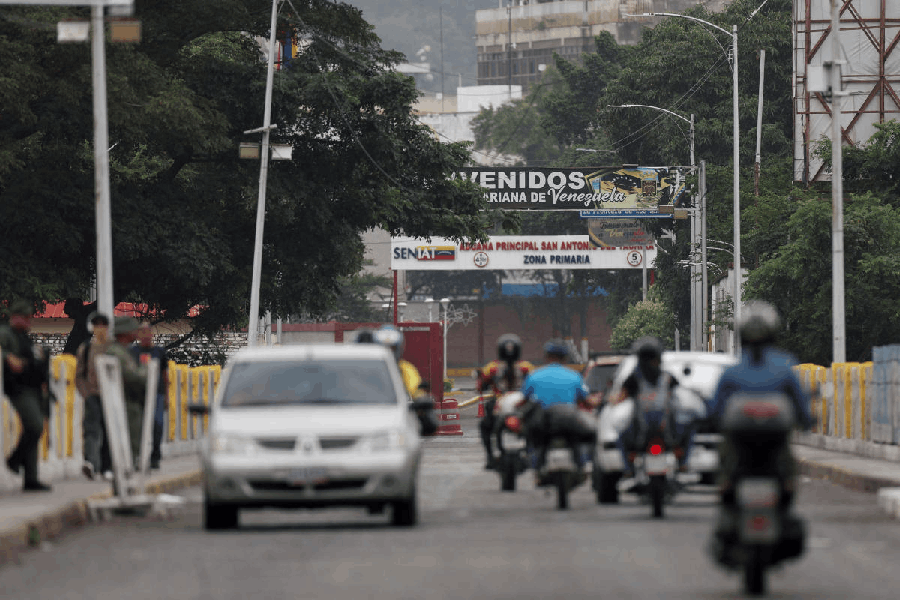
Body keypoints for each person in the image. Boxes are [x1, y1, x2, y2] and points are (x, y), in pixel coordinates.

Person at [708, 301, 814, 552]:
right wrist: (808, 422)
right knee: (787, 469)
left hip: (739, 447)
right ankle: (784, 496)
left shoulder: (732, 371)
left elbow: (714, 409)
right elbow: (801, 406)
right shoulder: (786, 365)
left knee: (726, 464)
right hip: (775, 447)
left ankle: (727, 488)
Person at [521, 339, 590, 483]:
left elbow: (525, 399)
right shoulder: (575, 376)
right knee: (578, 441)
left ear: (546, 356)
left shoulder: (534, 375)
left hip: (544, 421)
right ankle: (582, 466)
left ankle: (536, 470)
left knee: (536, 442)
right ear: (565, 358)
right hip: (569, 419)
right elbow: (584, 400)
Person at [0, 299, 52, 492]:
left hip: (33, 388)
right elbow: (3, 352)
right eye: (26, 317)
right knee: (35, 425)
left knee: (36, 430)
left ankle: (31, 477)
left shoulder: (25, 337)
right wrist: (7, 357)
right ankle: (14, 460)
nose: (29, 321)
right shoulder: (6, 334)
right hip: (19, 388)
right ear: (16, 317)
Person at [613, 336, 683, 477]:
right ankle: (683, 464)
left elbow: (619, 398)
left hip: (641, 431)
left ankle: (628, 469)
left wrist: (609, 402)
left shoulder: (634, 378)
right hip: (665, 429)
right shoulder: (667, 377)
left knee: (620, 437)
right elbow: (680, 396)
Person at [476, 334, 534, 470]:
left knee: (485, 426)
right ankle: (532, 455)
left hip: (499, 404)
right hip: (522, 403)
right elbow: (536, 385)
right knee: (535, 424)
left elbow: (480, 387)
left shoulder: (491, 367)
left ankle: (490, 457)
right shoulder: (526, 366)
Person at [105, 316, 148, 468]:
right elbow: (132, 376)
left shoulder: (123, 351)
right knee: (130, 435)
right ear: (124, 332)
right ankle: (127, 465)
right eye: (133, 329)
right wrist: (146, 370)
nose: (136, 333)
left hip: (129, 400)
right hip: (125, 401)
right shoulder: (117, 352)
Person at [75, 311, 113, 480]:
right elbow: (79, 374)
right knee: (91, 429)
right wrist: (86, 394)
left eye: (102, 325)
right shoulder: (86, 348)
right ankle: (90, 463)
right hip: (92, 395)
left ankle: (106, 467)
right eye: (97, 325)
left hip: (110, 395)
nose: (100, 329)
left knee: (108, 430)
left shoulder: (113, 347)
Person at [130, 323, 168, 470]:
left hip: (157, 394)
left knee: (157, 425)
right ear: (138, 336)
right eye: (142, 333)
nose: (145, 336)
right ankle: (137, 457)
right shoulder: (133, 352)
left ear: (151, 334)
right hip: (138, 395)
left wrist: (166, 396)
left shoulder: (159, 352)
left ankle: (155, 457)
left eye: (147, 333)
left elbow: (165, 375)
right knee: (137, 426)